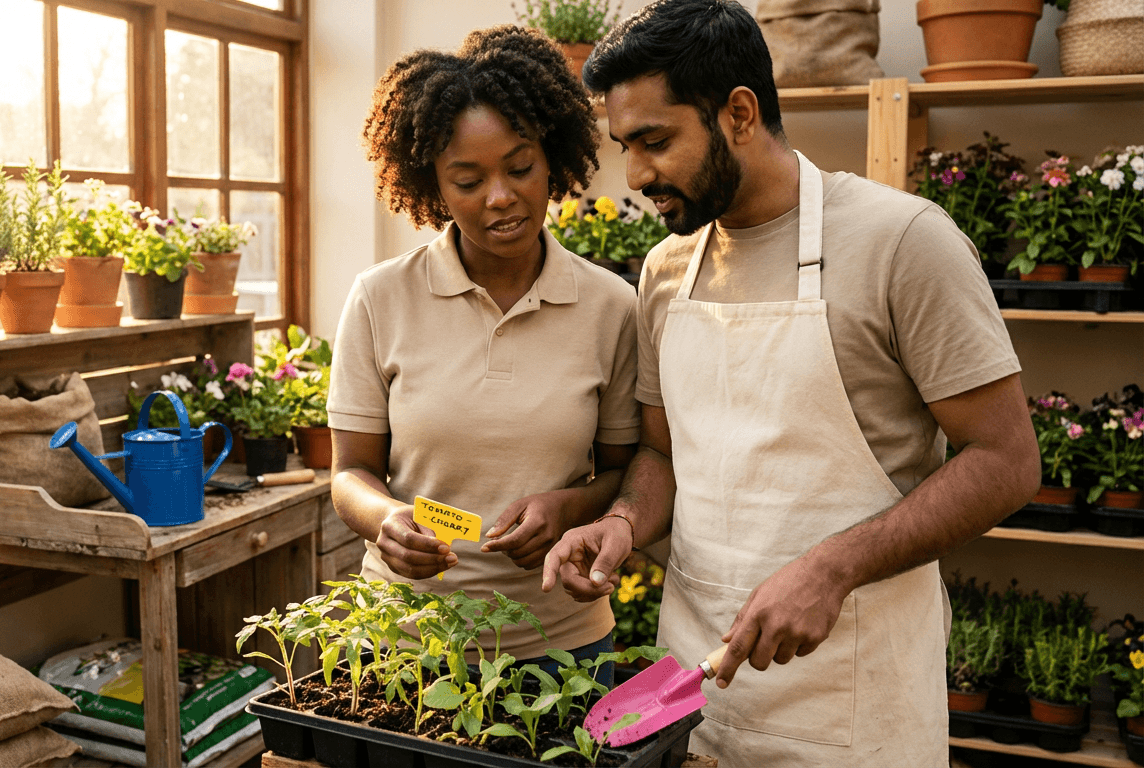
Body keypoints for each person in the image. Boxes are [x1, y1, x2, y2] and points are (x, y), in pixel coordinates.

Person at [539, 0, 1041, 763]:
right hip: (694, 690)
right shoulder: (666, 271)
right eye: (625, 147)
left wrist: (833, 568)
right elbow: (663, 453)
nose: (636, 175)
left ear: (739, 113)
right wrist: (624, 523)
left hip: (854, 703)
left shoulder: (903, 242)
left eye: (655, 142)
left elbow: (1007, 461)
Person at [328, 25, 639, 686]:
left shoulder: (612, 306)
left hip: (562, 646)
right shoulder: (380, 297)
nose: (500, 196)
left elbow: (622, 472)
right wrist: (386, 519)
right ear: (433, 186)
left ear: (552, 159)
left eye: (519, 168)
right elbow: (350, 471)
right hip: (405, 645)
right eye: (467, 180)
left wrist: (568, 508)